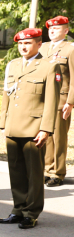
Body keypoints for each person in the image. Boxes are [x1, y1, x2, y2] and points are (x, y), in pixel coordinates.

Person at [0, 28, 60, 229]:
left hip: (34, 128)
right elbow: (7, 94)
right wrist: (3, 122)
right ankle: (18, 209)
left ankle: (31, 213)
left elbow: (52, 101)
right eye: (20, 43)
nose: (23, 47)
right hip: (13, 125)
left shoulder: (49, 66)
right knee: (15, 171)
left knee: (34, 173)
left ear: (39, 44)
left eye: (28, 43)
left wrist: (46, 129)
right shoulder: (13, 65)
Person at [42, 15, 74, 186]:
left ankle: (58, 173)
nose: (52, 30)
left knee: (59, 137)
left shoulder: (70, 49)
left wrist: (70, 102)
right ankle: (47, 169)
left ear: (66, 31)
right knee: (45, 135)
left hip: (61, 99)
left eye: (56, 28)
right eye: (50, 28)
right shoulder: (43, 48)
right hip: (43, 99)